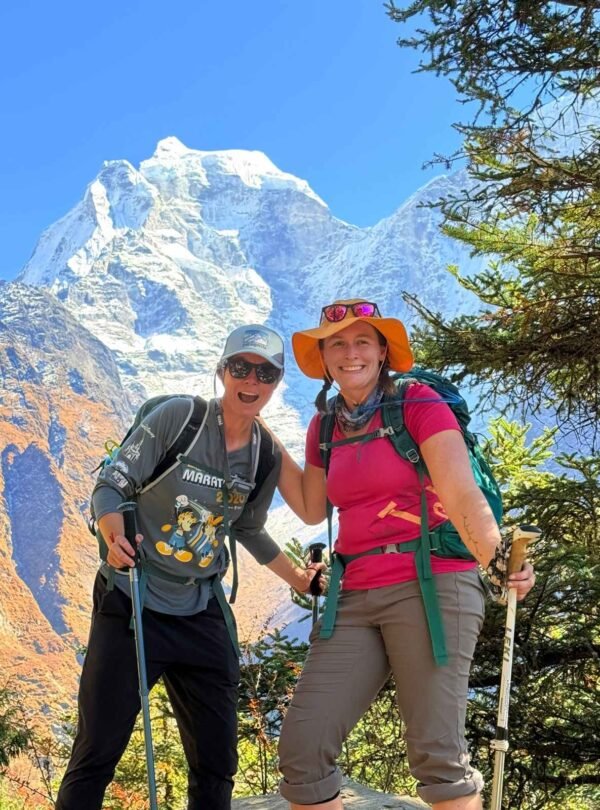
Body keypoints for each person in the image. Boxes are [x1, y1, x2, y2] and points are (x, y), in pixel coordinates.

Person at [274, 300, 536, 810]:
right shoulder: (324, 427)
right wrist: (257, 433)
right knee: (303, 749)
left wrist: (497, 558)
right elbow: (310, 506)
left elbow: (460, 493)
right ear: (324, 359)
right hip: (354, 595)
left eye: (362, 342)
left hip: (433, 584)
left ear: (382, 352)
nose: (350, 354)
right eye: (337, 345)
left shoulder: (417, 405)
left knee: (438, 757)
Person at [56, 324, 323, 810]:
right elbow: (112, 485)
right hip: (133, 599)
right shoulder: (180, 418)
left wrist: (299, 579)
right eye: (240, 367)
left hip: (201, 609)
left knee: (217, 762)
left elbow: (247, 528)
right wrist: (112, 535)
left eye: (265, 372)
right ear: (222, 371)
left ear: (277, 381)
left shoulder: (265, 453)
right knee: (97, 752)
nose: (251, 380)